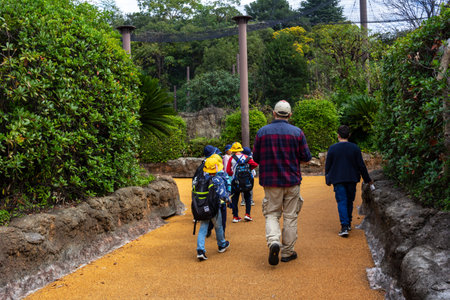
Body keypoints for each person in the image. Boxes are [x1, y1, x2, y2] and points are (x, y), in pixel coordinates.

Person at [252, 100, 312, 266]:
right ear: (290, 115)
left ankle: (273, 242)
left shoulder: (262, 133)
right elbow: (306, 158)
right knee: (290, 216)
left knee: (272, 213)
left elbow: (255, 158)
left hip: (271, 182)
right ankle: (287, 252)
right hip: (292, 181)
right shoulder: (297, 133)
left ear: (274, 113)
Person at [325, 125, 373, 237]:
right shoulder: (355, 148)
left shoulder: (332, 148)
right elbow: (361, 165)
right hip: (352, 178)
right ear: (349, 135)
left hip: (338, 179)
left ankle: (344, 226)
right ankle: (349, 223)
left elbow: (328, 166)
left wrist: (328, 179)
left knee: (341, 201)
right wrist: (367, 179)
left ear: (338, 135)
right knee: (349, 201)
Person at [196, 155, 231, 261]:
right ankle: (221, 244)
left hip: (203, 207)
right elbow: (222, 194)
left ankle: (200, 250)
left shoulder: (202, 179)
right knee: (218, 226)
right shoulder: (218, 179)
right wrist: (228, 200)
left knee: (203, 228)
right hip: (214, 207)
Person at [226, 142, 258, 223]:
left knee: (235, 199)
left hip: (235, 181)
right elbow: (255, 164)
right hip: (246, 181)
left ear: (233, 150)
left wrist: (233, 173)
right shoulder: (246, 157)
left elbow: (228, 171)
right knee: (247, 197)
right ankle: (247, 214)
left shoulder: (231, 158)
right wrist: (249, 169)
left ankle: (235, 216)